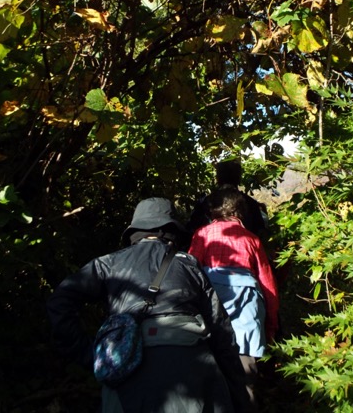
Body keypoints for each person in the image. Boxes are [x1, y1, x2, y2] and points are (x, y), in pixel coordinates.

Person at [47, 197, 251, 413]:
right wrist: (238, 395)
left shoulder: (108, 263)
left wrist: (89, 355)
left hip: (126, 369)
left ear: (135, 230)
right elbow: (221, 331)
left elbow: (60, 300)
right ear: (172, 231)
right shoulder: (188, 265)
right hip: (192, 364)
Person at [188, 187, 279, 410]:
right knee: (245, 381)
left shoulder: (202, 235)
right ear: (241, 212)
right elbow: (268, 285)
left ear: (212, 210)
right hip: (246, 319)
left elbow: (189, 272)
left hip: (210, 316)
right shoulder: (252, 240)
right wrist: (271, 324)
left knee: (210, 377)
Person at [187, 159, 268, 239]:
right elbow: (260, 233)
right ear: (239, 178)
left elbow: (191, 230)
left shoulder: (205, 202)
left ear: (218, 177)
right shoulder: (251, 204)